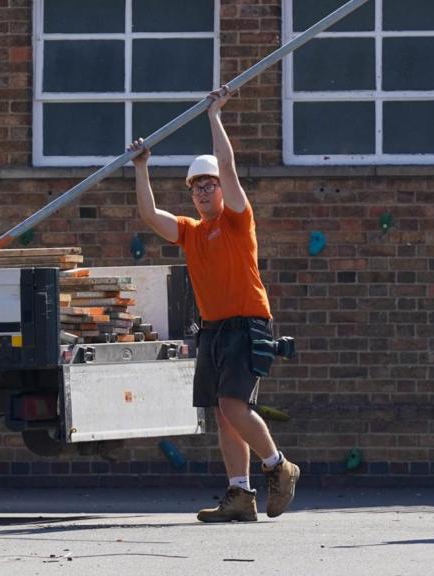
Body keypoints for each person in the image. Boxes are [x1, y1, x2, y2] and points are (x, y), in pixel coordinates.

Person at [128, 85, 300, 523]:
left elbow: (227, 164)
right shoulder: (189, 231)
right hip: (215, 329)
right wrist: (141, 167)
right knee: (223, 415)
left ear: (222, 190)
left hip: (247, 323)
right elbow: (150, 217)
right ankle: (240, 495)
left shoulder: (238, 220)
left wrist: (214, 116)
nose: (203, 192)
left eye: (209, 185)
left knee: (232, 407)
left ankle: (279, 467)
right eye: (196, 188)